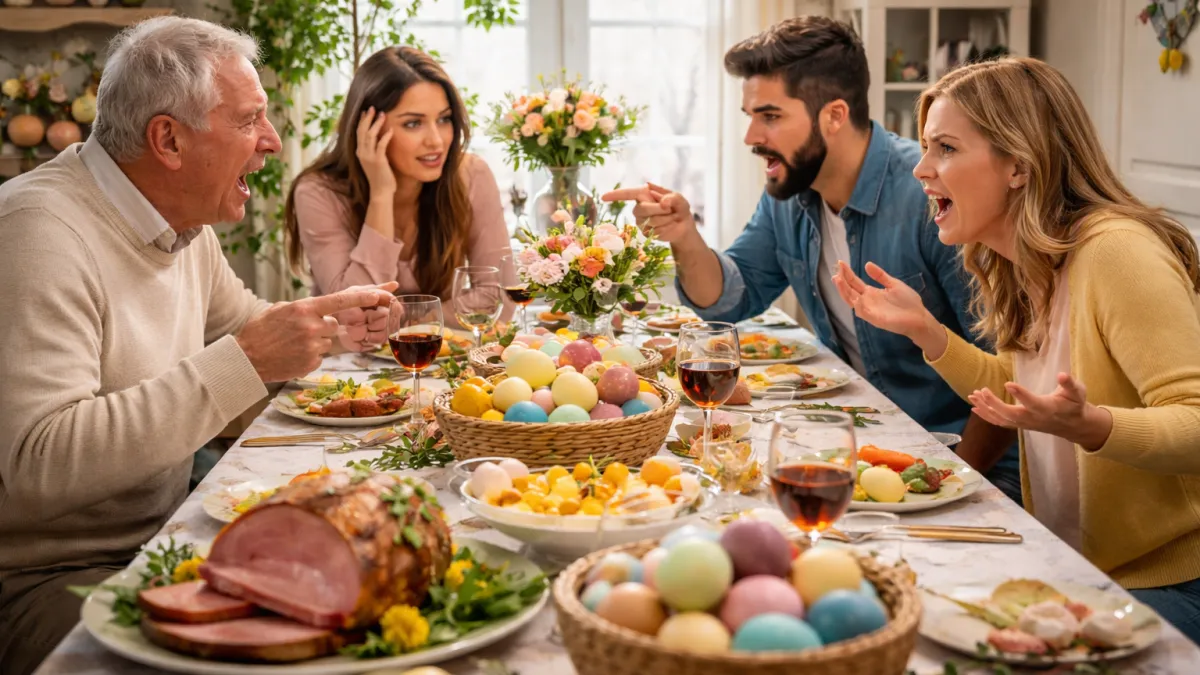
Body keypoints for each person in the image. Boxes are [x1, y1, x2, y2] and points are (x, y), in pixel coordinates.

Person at [0, 17, 396, 674]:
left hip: (171, 535)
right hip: (47, 578)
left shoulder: (182, 227)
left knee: (363, 607)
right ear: (169, 140)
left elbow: (251, 332)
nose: (272, 141)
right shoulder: (39, 234)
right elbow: (40, 463)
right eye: (249, 121)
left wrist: (331, 331)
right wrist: (246, 360)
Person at [833, 56, 1200, 642]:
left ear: (1019, 167)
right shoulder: (1022, 260)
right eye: (927, 148)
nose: (922, 169)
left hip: (1171, 583)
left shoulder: (1116, 253)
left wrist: (1094, 426)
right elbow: (1018, 386)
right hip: (1077, 565)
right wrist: (927, 331)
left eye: (946, 148)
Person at [603, 16, 1020, 500]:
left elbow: (1005, 378)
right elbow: (728, 299)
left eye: (771, 116)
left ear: (834, 116)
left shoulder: (931, 194)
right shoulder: (789, 193)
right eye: (749, 116)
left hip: (961, 464)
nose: (751, 137)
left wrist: (943, 485)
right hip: (860, 446)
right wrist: (684, 236)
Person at [283, 46, 509, 303]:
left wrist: (409, 321)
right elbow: (352, 312)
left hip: (443, 344)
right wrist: (381, 194)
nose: (436, 141)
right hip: (352, 346)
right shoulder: (318, 193)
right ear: (367, 128)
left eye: (444, 119)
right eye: (413, 123)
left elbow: (497, 295)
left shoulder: (470, 174)